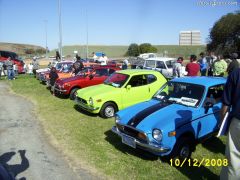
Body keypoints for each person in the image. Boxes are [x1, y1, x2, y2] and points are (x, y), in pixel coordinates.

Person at [220, 68, 240, 180]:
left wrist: (222, 123)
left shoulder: (236, 73)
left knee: (234, 159)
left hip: (238, 122)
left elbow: (226, 103)